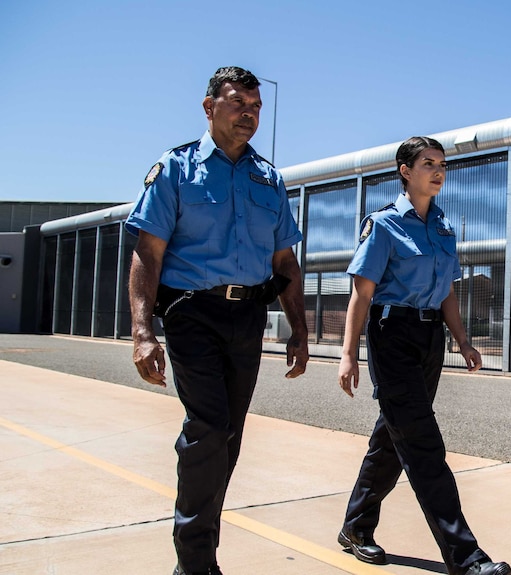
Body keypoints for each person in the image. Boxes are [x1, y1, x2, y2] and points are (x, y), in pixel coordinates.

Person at [126, 66, 309, 575]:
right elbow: (148, 252)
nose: (248, 114)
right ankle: (195, 562)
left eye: (255, 107)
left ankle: (200, 550)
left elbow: (285, 262)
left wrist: (299, 328)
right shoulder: (177, 169)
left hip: (248, 315)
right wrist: (143, 332)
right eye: (237, 104)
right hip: (192, 313)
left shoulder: (268, 178)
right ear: (209, 108)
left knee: (229, 435)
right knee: (208, 428)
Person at [337, 136, 511, 575]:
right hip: (390, 333)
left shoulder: (443, 227)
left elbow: (448, 291)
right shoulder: (383, 224)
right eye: (428, 164)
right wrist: (348, 354)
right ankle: (465, 558)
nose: (438, 171)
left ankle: (355, 526)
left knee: (393, 438)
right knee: (423, 444)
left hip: (430, 338)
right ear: (405, 170)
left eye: (442, 165)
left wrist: (463, 340)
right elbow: (362, 294)